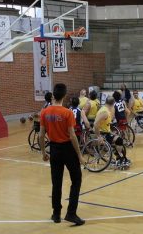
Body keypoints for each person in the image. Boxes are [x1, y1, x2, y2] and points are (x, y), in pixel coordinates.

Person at [39, 83, 85, 226]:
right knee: (76, 179)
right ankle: (71, 213)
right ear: (64, 96)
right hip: (68, 149)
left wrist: (43, 152)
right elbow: (72, 136)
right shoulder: (67, 113)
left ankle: (56, 214)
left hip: (54, 150)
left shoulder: (45, 112)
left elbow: (41, 135)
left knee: (56, 182)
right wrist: (79, 155)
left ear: (53, 95)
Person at [94, 96, 131, 167]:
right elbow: (95, 124)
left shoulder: (107, 110)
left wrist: (110, 132)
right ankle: (120, 158)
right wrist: (99, 136)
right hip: (102, 134)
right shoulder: (104, 112)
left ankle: (121, 158)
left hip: (106, 132)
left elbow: (105, 125)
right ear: (113, 103)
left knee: (118, 139)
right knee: (119, 140)